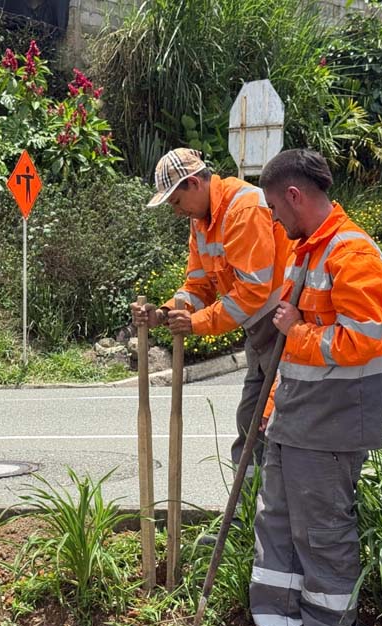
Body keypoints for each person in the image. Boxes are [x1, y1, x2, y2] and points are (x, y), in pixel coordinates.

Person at [213, 148, 382, 626]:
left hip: (332, 427)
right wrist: (269, 414)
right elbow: (288, 359)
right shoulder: (305, 251)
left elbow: (364, 339)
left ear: (294, 196)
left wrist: (297, 332)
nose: (271, 218)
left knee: (322, 537)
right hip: (293, 421)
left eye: (272, 205)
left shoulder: (352, 251)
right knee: (276, 533)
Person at [132, 148, 291, 542]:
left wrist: (197, 323)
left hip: (285, 330)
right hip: (260, 334)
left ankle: (271, 525)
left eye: (176, 200)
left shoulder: (244, 208)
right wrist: (166, 313)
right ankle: (245, 521)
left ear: (194, 183)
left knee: (272, 427)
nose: (175, 210)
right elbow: (199, 285)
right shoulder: (202, 223)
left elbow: (253, 291)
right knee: (250, 424)